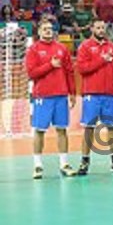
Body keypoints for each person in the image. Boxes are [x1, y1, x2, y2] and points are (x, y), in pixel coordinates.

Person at [75, 19, 113, 175]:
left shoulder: (112, 47)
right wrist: (101, 60)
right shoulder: (85, 47)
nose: (100, 30)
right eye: (97, 27)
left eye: (102, 27)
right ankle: (84, 161)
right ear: (92, 28)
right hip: (92, 94)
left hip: (109, 95)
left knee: (112, 128)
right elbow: (82, 68)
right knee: (89, 128)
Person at [25, 20, 77, 179]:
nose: (48, 31)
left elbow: (69, 71)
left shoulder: (61, 48)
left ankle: (64, 164)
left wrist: (72, 92)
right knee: (39, 131)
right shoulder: (33, 49)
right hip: (42, 97)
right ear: (39, 31)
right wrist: (50, 65)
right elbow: (31, 73)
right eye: (45, 29)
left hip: (61, 96)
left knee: (62, 130)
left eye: (50, 29)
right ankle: (38, 166)